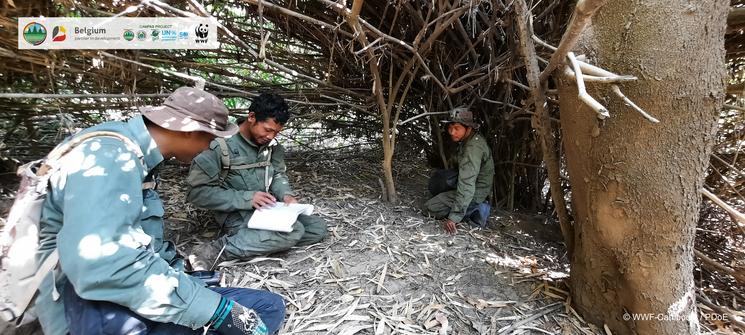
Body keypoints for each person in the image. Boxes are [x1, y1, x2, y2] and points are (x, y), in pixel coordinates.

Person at [34, 87, 285, 335]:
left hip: (137, 287)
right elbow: (103, 267)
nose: (210, 147)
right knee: (234, 319)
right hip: (92, 304)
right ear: (189, 131)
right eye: (209, 139)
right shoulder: (109, 159)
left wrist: (184, 278)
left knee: (268, 307)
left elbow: (141, 239)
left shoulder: (136, 154)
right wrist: (213, 309)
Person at [186, 93, 327, 269]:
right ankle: (216, 250)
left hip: (267, 211)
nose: (271, 136)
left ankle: (257, 241)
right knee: (294, 232)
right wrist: (247, 198)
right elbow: (197, 194)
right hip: (235, 214)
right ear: (251, 117)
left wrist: (286, 195)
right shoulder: (220, 146)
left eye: (276, 132)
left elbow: (277, 175)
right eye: (268, 130)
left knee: (317, 228)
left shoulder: (272, 147)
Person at [424, 107, 494, 234]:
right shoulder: (468, 139)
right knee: (438, 183)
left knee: (430, 208)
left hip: (475, 191)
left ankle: (477, 208)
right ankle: (470, 206)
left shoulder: (472, 149)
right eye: (450, 128)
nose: (452, 132)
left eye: (456, 128)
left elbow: (467, 183)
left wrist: (454, 218)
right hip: (469, 185)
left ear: (468, 128)